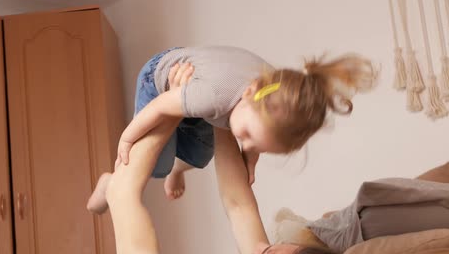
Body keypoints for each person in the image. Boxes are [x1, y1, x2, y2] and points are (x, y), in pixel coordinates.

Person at [92, 113, 360, 254]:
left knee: (115, 188)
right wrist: (219, 113)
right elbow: (238, 203)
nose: (257, 248)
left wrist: (173, 106)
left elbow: (124, 193)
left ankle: (104, 187)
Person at [87, 46, 377, 206]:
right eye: (248, 136)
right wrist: (127, 138)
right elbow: (160, 107)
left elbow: (257, 138)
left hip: (199, 97)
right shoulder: (212, 97)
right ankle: (108, 183)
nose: (245, 143)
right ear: (250, 93)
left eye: (256, 146)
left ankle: (178, 169)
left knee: (200, 156)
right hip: (160, 77)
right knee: (155, 164)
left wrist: (250, 165)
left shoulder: (269, 97)